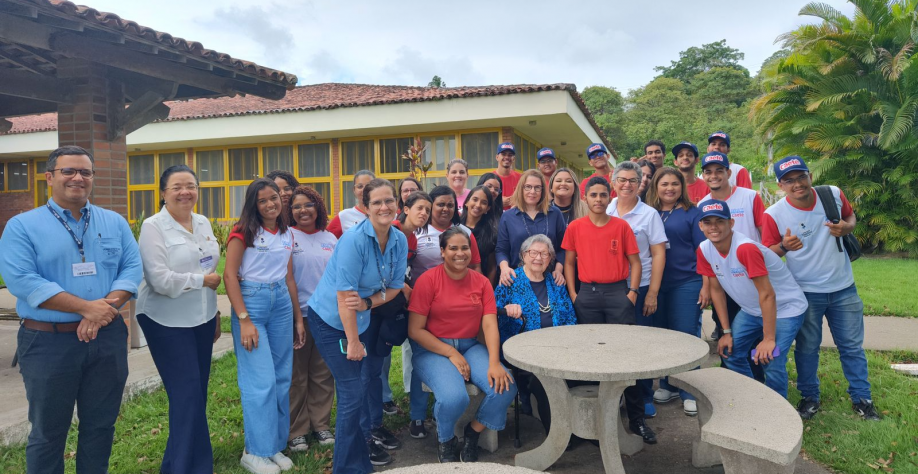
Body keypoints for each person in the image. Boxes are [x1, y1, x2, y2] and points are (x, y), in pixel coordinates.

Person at [0, 145, 143, 474]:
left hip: (106, 340)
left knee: (100, 427)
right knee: (48, 433)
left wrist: (101, 312)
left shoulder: (114, 222)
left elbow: (132, 269)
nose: (78, 177)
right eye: (69, 171)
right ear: (50, 177)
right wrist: (86, 309)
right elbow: (22, 280)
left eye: (86, 172)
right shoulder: (22, 226)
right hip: (48, 343)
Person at [763, 156, 880, 421]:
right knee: (807, 347)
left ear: (810, 176)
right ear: (780, 185)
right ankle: (810, 397)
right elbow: (768, 252)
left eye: (801, 176)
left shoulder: (833, 194)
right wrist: (784, 247)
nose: (797, 184)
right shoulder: (774, 214)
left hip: (844, 288)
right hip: (804, 293)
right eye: (789, 180)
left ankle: (862, 399)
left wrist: (846, 227)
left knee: (851, 346)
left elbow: (850, 216)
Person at [306, 178, 408, 473]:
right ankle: (346, 468)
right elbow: (344, 298)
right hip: (330, 321)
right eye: (376, 202)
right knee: (351, 393)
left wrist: (368, 303)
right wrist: (353, 342)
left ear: (397, 205)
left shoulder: (398, 240)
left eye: (389, 200)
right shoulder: (353, 240)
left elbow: (395, 287)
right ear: (365, 208)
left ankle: (359, 462)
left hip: (359, 316)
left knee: (359, 389)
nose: (384, 207)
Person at [135, 164, 222, 473]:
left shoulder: (202, 222)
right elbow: (159, 279)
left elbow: (209, 263)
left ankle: (179, 464)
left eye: (191, 186)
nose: (185, 192)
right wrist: (202, 282)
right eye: (177, 187)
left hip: (201, 317)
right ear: (163, 193)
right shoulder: (153, 226)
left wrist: (214, 312)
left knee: (195, 396)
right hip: (165, 320)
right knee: (186, 396)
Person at [408, 227, 517, 463]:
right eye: (453, 248)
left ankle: (473, 432)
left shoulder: (481, 283)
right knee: (454, 398)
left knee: (505, 386)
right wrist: (451, 353)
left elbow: (489, 325)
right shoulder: (428, 280)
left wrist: (494, 361)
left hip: (469, 346)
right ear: (443, 252)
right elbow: (415, 330)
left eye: (464, 247)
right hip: (432, 349)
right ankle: (446, 440)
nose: (460, 253)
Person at [561, 176, 655, 444]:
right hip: (586, 294)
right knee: (589, 356)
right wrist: (573, 293)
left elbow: (635, 262)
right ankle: (588, 422)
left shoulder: (621, 226)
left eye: (603, 195)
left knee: (626, 355)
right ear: (586, 198)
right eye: (594, 195)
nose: (599, 200)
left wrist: (633, 293)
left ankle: (636, 419)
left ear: (609, 196)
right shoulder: (575, 227)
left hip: (618, 293)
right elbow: (568, 262)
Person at [223, 178, 305, 474]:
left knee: (282, 378)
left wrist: (298, 317)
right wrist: (244, 319)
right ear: (253, 205)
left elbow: (289, 277)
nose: (271, 204)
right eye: (263, 200)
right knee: (261, 382)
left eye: (274, 198)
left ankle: (273, 446)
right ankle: (254, 452)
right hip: (252, 303)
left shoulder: (286, 231)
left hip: (281, 302)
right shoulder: (242, 231)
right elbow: (230, 276)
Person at [696, 199, 807, 398]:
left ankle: (777, 414)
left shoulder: (745, 248)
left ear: (731, 223)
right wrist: (726, 331)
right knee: (731, 352)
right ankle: (752, 400)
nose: (714, 227)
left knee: (770, 360)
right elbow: (716, 291)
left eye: (719, 221)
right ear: (701, 225)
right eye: (708, 222)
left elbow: (767, 294)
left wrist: (768, 338)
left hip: (785, 309)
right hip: (751, 310)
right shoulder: (704, 249)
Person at [405, 185, 482, 438]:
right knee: (422, 358)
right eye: (440, 204)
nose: (445, 209)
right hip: (423, 303)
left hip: (457, 307)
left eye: (450, 204)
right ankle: (417, 415)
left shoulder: (463, 233)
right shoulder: (418, 231)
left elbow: (476, 269)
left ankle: (449, 417)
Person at [645, 167, 708, 416]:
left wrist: (706, 285)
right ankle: (668, 384)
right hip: (654, 283)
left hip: (686, 281)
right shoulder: (648, 212)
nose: (669, 188)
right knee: (663, 336)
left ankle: (689, 390)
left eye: (674, 184)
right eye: (664, 184)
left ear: (682, 186)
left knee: (685, 335)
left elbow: (703, 251)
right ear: (656, 187)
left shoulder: (693, 213)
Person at [606, 161, 667, 417]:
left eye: (633, 180)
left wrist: (652, 292)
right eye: (622, 179)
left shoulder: (649, 214)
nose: (627, 185)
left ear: (640, 182)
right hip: (610, 288)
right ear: (613, 182)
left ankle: (644, 397)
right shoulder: (606, 209)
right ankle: (617, 397)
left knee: (640, 345)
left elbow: (658, 253)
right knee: (614, 346)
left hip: (639, 286)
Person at [495, 234, 576, 428]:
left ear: (551, 258)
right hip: (526, 352)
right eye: (533, 253)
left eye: (544, 254)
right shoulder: (510, 280)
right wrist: (507, 311)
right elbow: (494, 316)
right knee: (547, 384)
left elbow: (570, 318)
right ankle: (558, 434)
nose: (538, 258)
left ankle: (579, 428)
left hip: (559, 349)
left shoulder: (555, 282)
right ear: (523, 255)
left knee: (579, 379)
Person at [699, 151, 767, 377]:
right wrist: (707, 285)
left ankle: (759, 381)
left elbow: (765, 236)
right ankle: (733, 381)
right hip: (724, 282)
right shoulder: (703, 205)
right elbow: (706, 251)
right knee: (725, 331)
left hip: (753, 280)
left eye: (720, 170)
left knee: (756, 336)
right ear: (703, 176)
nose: (714, 175)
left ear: (729, 172)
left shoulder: (749, 197)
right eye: (708, 172)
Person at [287, 186, 338, 452]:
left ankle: (320, 425)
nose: (303, 210)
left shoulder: (330, 238)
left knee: (322, 374)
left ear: (318, 207)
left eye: (308, 205)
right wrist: (297, 317)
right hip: (299, 315)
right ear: (290, 211)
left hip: (327, 317)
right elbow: (288, 279)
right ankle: (297, 430)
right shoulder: (287, 236)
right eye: (296, 206)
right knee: (297, 375)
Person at [497, 170, 567, 288]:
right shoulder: (508, 216)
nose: (532, 192)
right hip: (516, 279)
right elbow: (501, 250)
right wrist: (504, 269)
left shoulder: (555, 213)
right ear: (521, 189)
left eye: (537, 188)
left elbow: (563, 247)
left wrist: (559, 270)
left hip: (550, 279)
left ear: (543, 191)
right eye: (528, 187)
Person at [461, 185, 501, 285]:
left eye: (484, 203)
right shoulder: (455, 228)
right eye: (475, 199)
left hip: (479, 283)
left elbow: (492, 268)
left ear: (488, 208)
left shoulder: (491, 234)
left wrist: (488, 290)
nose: (478, 205)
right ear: (466, 202)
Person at [327, 170, 375, 238]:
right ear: (354, 190)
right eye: (360, 186)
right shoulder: (344, 216)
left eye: (368, 186)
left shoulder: (386, 213)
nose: (364, 190)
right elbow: (326, 240)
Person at [494, 142, 521, 210]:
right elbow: (483, 199)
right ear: (497, 157)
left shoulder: (520, 178)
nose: (507, 157)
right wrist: (498, 202)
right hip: (494, 218)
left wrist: (517, 202)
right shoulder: (489, 177)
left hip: (515, 217)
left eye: (510, 155)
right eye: (503, 154)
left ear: (513, 159)